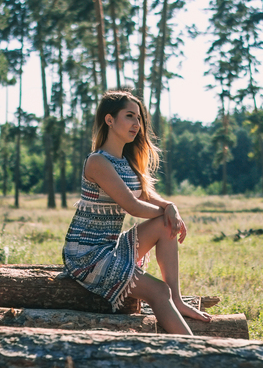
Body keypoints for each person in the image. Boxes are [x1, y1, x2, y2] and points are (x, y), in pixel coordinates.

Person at [62, 89, 212, 335]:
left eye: (139, 118)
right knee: (157, 290)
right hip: (86, 255)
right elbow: (132, 206)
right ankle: (196, 354)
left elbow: (146, 196)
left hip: (109, 247)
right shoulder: (98, 162)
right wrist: (166, 214)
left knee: (164, 226)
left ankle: (177, 299)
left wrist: (170, 207)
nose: (137, 124)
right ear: (109, 120)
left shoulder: (126, 161)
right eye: (130, 116)